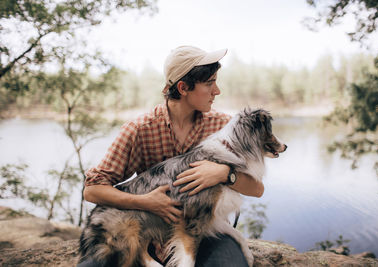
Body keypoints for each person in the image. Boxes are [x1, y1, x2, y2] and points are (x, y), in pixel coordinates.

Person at [79, 45, 264, 267]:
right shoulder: (139, 129)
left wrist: (225, 173)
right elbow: (92, 190)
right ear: (184, 87)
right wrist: (143, 202)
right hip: (147, 230)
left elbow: (257, 189)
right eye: (209, 83)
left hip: (205, 230)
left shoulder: (223, 126)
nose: (217, 91)